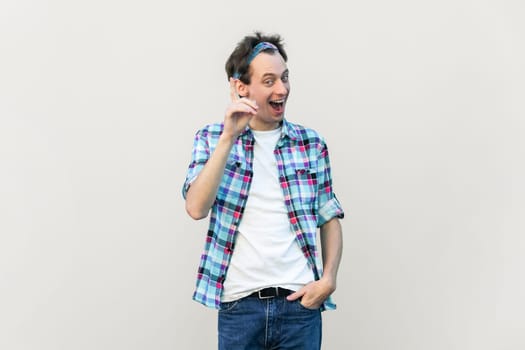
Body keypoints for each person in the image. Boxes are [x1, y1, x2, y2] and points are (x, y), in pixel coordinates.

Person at [182, 31, 344, 350]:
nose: (282, 89)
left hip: (300, 308)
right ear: (241, 87)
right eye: (269, 80)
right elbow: (196, 208)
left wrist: (328, 280)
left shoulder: (310, 144)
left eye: (284, 78)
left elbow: (329, 216)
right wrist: (229, 137)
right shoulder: (212, 139)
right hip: (239, 307)